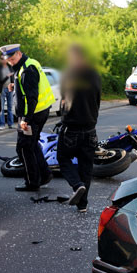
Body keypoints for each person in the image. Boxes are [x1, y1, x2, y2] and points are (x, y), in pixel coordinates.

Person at [0, 43, 54, 192]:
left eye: (11, 59)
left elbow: (31, 97)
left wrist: (26, 120)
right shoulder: (29, 63)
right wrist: (13, 85)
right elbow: (22, 83)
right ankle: (44, 174)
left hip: (33, 114)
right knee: (32, 144)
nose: (10, 62)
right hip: (39, 112)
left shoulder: (27, 70)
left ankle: (32, 182)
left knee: (23, 148)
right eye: (8, 60)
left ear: (18, 53)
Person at [58, 44, 102, 213]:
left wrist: (64, 116)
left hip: (72, 127)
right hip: (91, 127)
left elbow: (65, 100)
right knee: (86, 166)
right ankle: (82, 205)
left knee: (62, 157)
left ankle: (77, 185)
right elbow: (97, 100)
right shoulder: (95, 74)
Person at [0, 58, 15, 128]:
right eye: (2, 59)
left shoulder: (10, 67)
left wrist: (13, 84)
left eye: (5, 59)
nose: (4, 60)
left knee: (10, 107)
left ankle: (10, 124)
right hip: (2, 89)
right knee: (1, 108)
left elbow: (13, 77)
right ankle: (1, 124)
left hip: (10, 89)